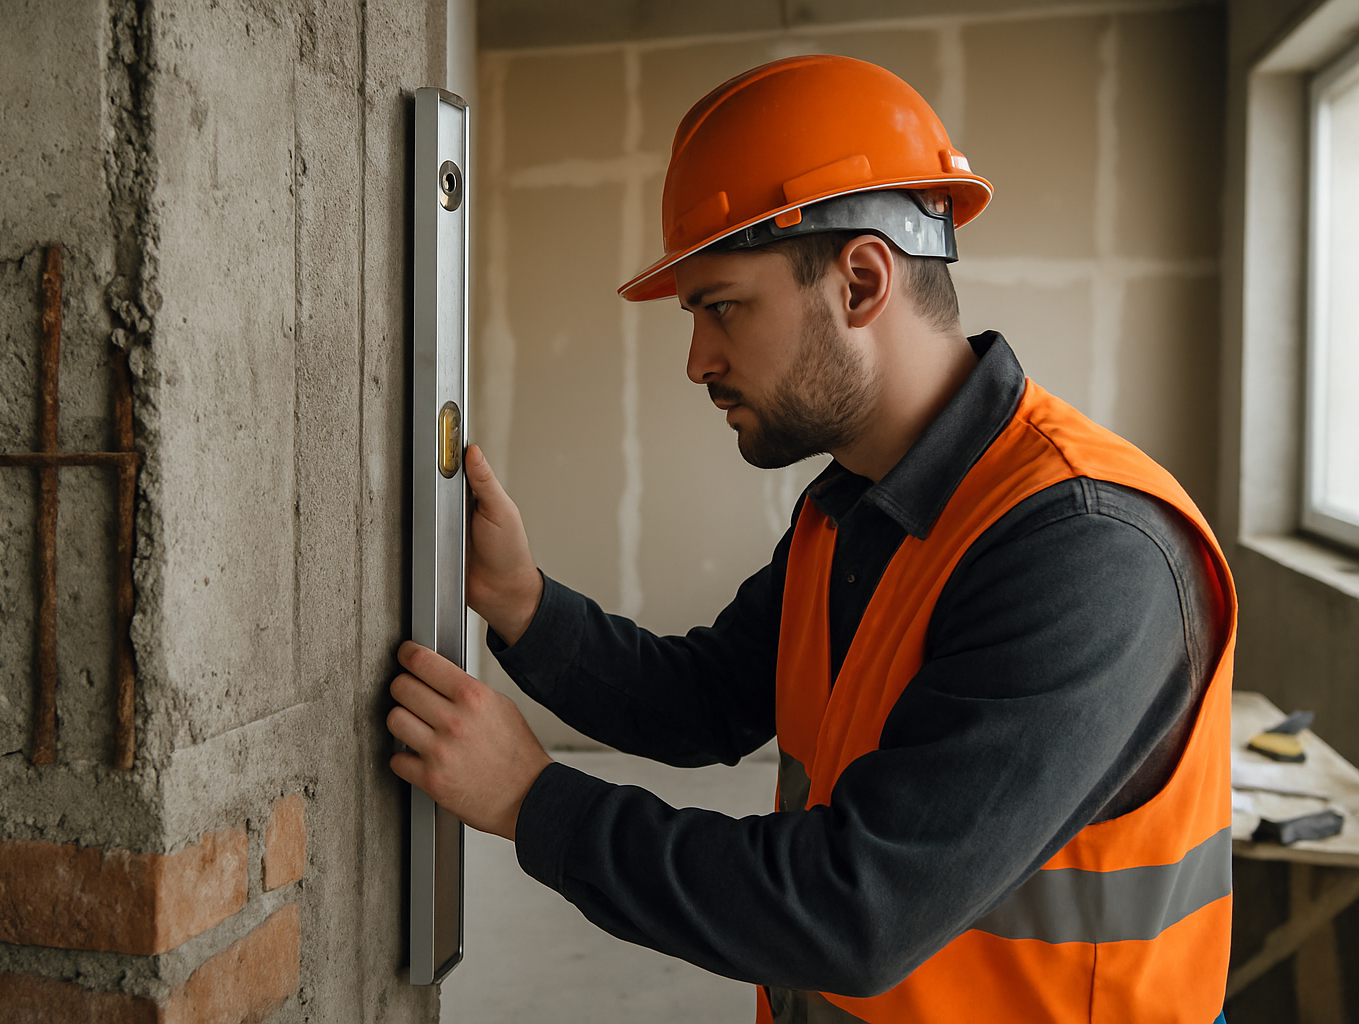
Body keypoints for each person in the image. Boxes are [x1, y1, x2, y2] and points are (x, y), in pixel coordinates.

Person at [386, 55, 1235, 1024]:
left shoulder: (1088, 553)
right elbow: (711, 700)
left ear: (861, 281)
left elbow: (855, 911)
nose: (699, 359)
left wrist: (536, 802)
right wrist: (521, 601)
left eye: (721, 306)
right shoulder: (852, 507)